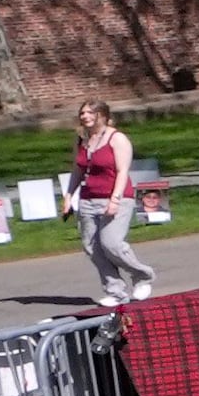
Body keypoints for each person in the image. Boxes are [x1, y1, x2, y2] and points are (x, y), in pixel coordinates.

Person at [68, 100, 149, 306]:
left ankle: (142, 277)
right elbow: (77, 170)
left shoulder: (117, 138)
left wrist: (115, 199)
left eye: (89, 112)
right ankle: (115, 291)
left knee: (111, 243)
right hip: (88, 199)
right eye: (82, 112)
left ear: (101, 115)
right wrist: (69, 196)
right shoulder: (83, 140)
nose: (84, 116)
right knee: (92, 247)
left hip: (115, 198)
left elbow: (123, 171)